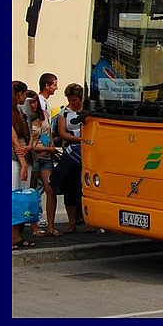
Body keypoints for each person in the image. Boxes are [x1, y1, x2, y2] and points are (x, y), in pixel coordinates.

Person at [52, 83, 92, 234]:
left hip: (88, 153)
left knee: (86, 188)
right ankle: (71, 222)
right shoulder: (65, 113)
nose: (72, 102)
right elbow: (62, 133)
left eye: (75, 99)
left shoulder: (89, 112)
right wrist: (80, 139)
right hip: (72, 151)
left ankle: (90, 221)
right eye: (70, 99)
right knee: (70, 188)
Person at [24, 89, 60, 236]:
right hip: (34, 157)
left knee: (50, 190)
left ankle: (51, 226)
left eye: (34, 101)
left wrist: (51, 147)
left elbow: (48, 133)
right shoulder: (26, 118)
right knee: (32, 192)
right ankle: (33, 226)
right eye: (29, 102)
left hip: (46, 156)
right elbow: (27, 142)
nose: (32, 105)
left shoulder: (44, 114)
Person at [12, 81, 35, 250]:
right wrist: (23, 163)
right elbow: (14, 140)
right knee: (14, 196)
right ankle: (13, 236)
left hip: (24, 153)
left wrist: (30, 145)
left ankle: (16, 235)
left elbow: (30, 132)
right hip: (15, 158)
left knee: (20, 198)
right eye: (24, 94)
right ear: (19, 94)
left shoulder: (20, 111)